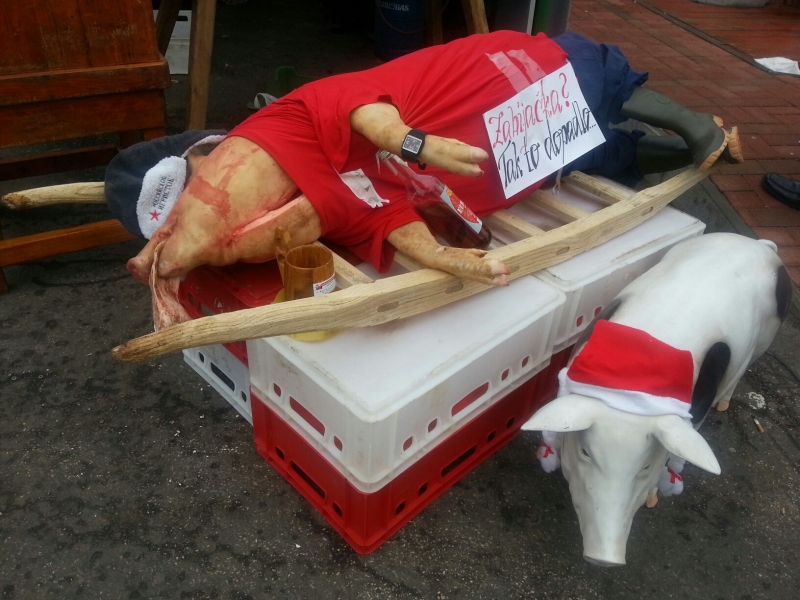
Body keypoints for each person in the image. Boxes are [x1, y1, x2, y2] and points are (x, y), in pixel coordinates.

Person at [105, 31, 742, 326]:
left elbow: (360, 106)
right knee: (587, 152)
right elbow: (381, 217)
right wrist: (439, 256)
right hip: (509, 165)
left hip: (477, 97)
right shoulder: (312, 218)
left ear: (205, 156)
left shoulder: (287, 122)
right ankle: (682, 151)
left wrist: (412, 142)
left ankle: (693, 126)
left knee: (576, 75)